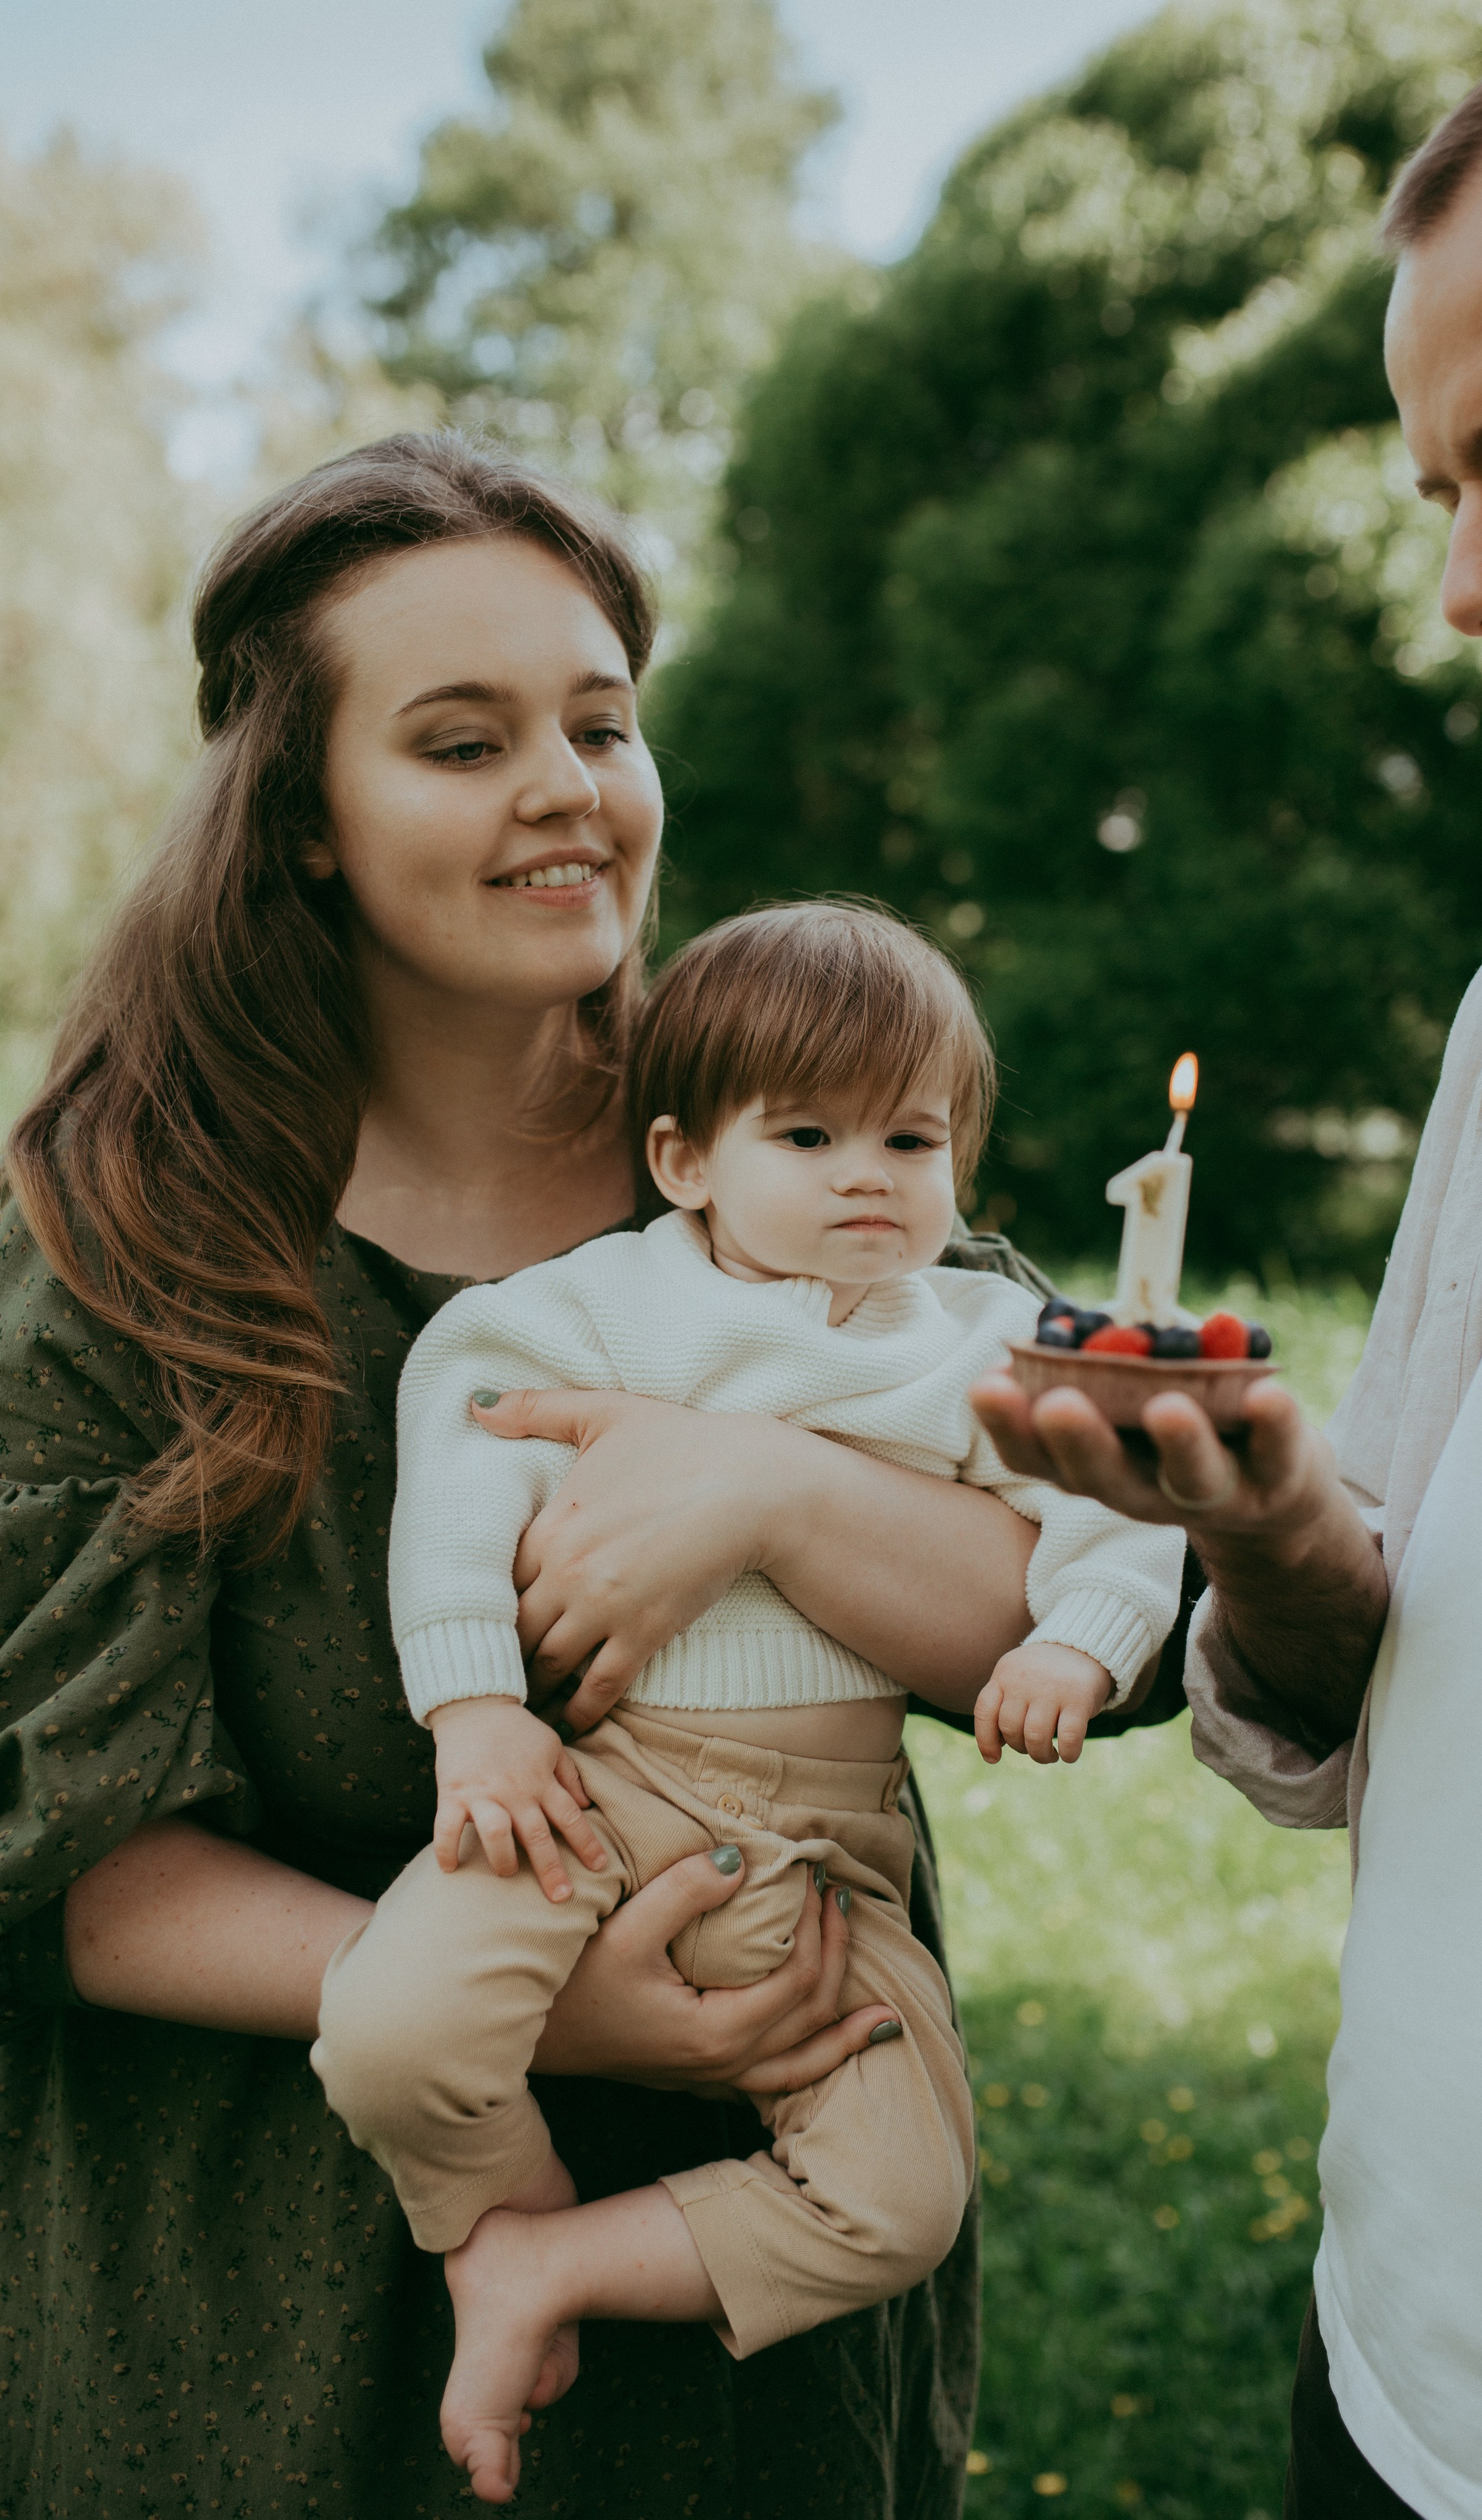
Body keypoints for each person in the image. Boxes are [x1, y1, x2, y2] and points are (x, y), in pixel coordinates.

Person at [0, 431, 1124, 2520]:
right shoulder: (117, 1247)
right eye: (459, 739)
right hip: (277, 2315)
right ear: (304, 817)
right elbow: (92, 1876)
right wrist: (560, 2022)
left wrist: (768, 1494)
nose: (566, 789)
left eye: (601, 721)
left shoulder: (778, 1143)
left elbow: (1048, 1631)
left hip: (760, 2282)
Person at [973, 10, 1482, 2516]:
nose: (1476, 583)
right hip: (1387, 2367)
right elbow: (1335, 1720)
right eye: (1446, 485)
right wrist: (1268, 1535)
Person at [310, 900, 1181, 2499]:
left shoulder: (981, 1340)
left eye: (911, 1139)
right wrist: (473, 1709)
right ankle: (496, 2219)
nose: (867, 1173)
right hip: (599, 1791)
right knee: (385, 2034)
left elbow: (1118, 1493)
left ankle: (564, 2267)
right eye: (807, 1132)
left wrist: (1078, 1640)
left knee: (900, 2202)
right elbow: (461, 1446)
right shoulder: (601, 1308)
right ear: (684, 1160)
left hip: (832, 1853)